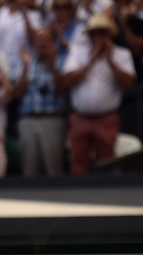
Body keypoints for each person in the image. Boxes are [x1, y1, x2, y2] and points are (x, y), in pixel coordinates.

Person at [63, 14, 135, 174]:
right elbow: (68, 80)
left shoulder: (122, 54)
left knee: (106, 163)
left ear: (109, 35)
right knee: (78, 163)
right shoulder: (78, 52)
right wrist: (91, 61)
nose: (98, 37)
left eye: (102, 33)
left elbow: (128, 83)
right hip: (80, 117)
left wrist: (110, 61)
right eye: (94, 34)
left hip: (106, 118)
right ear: (89, 36)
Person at [16, 28, 68, 177]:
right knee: (29, 170)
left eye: (46, 39)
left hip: (51, 120)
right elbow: (17, 93)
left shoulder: (62, 61)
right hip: (28, 120)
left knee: (54, 169)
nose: (42, 43)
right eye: (39, 39)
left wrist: (52, 66)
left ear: (52, 42)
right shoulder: (27, 62)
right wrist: (25, 68)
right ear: (34, 43)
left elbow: (63, 91)